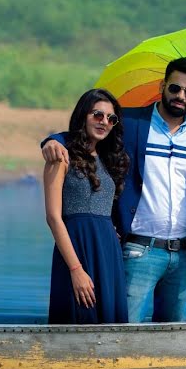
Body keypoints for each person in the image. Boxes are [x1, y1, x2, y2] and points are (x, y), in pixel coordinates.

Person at [42, 57, 186, 323]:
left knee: (174, 336)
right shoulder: (132, 122)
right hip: (138, 250)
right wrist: (51, 141)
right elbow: (89, 131)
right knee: (123, 331)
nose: (180, 96)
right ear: (163, 86)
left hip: (185, 257)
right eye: (175, 88)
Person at [45, 88, 130, 324]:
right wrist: (75, 269)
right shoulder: (61, 156)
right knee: (77, 318)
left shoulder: (108, 159)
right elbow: (53, 217)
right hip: (77, 250)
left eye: (111, 119)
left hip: (108, 252)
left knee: (110, 323)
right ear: (84, 115)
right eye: (97, 115)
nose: (104, 122)